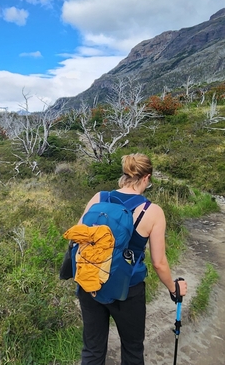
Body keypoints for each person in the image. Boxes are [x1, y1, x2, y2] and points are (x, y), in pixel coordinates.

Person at [76, 153, 187, 365]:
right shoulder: (151, 211)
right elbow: (159, 262)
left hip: (90, 283)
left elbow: (78, 237)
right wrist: (174, 289)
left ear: (124, 174)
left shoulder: (99, 198)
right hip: (128, 290)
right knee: (132, 350)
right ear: (146, 177)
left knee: (92, 350)